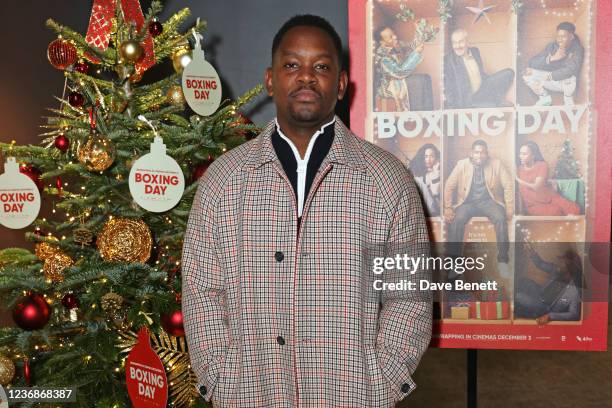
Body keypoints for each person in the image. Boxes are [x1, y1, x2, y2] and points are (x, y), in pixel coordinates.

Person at [182, 15, 432, 408]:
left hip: (353, 395)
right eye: (292, 65)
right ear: (270, 80)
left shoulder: (387, 179)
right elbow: (201, 290)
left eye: (321, 66)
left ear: (342, 84)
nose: (306, 77)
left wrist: (384, 378)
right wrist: (219, 375)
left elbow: (409, 296)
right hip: (251, 394)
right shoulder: (224, 181)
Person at [444, 140, 513, 272]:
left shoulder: (496, 164)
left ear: (486, 154)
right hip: (467, 203)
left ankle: (503, 260)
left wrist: (509, 206)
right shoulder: (461, 164)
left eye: (482, 152)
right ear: (471, 153)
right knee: (456, 220)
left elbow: (508, 185)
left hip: (489, 201)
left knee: (500, 218)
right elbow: (449, 185)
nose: (479, 155)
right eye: (476, 152)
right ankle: (454, 264)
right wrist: (448, 207)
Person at [444, 28, 515, 108]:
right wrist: (455, 109)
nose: (457, 46)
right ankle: (495, 102)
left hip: (482, 89)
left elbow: (481, 74)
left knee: (509, 73)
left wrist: (493, 83)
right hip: (468, 100)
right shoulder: (448, 60)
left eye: (461, 42)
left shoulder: (475, 51)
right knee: (492, 106)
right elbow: (448, 89)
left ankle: (495, 100)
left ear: (467, 42)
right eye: (454, 43)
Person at [514, 242, 582, 323]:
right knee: (525, 281)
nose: (559, 263)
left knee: (519, 296)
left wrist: (550, 316)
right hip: (541, 293)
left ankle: (527, 312)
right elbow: (541, 264)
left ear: (570, 266)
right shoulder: (557, 270)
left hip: (545, 307)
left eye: (562, 262)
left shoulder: (574, 290)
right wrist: (532, 252)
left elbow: (574, 314)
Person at [523, 22, 584, 106]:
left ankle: (568, 98)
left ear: (571, 36)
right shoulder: (552, 46)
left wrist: (552, 75)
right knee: (528, 73)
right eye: (558, 36)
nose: (560, 39)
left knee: (571, 78)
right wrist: (552, 58)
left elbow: (571, 70)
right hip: (552, 80)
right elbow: (532, 62)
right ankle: (545, 98)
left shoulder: (577, 49)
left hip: (566, 84)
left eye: (563, 36)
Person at [516, 141, 581, 215]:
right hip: (534, 204)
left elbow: (537, 186)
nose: (520, 156)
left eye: (524, 154)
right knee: (556, 212)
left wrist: (518, 180)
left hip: (550, 196)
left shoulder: (542, 165)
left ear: (533, 155)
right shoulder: (518, 169)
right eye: (520, 153)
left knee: (575, 209)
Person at [374, 26, 426, 111]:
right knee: (419, 81)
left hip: (401, 83)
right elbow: (400, 72)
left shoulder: (397, 45)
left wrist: (419, 29)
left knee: (424, 78)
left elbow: (413, 45)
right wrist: (416, 53)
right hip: (389, 89)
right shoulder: (382, 58)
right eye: (391, 37)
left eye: (394, 34)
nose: (395, 37)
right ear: (382, 43)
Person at [410, 143, 441, 217]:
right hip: (421, 206)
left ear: (436, 158)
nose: (428, 160)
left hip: (435, 207)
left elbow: (435, 192)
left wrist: (436, 172)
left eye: (432, 156)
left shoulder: (438, 171)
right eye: (426, 156)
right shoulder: (419, 172)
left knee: (420, 181)